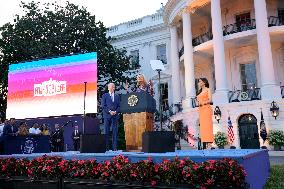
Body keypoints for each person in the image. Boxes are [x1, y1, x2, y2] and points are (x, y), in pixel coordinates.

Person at [101, 83, 120, 151]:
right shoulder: (104, 95)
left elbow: (119, 106)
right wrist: (109, 111)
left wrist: (116, 111)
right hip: (107, 116)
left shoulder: (117, 96)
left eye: (114, 87)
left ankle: (115, 148)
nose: (113, 88)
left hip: (115, 116)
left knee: (115, 132)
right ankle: (106, 148)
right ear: (108, 88)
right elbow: (103, 106)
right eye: (112, 87)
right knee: (107, 131)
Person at [197, 78, 214, 149]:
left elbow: (210, 100)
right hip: (201, 110)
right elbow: (198, 100)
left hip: (206, 108)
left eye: (200, 81)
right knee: (203, 127)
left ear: (204, 82)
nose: (199, 83)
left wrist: (203, 103)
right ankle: (205, 143)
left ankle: (209, 144)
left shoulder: (208, 89)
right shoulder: (199, 91)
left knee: (207, 125)